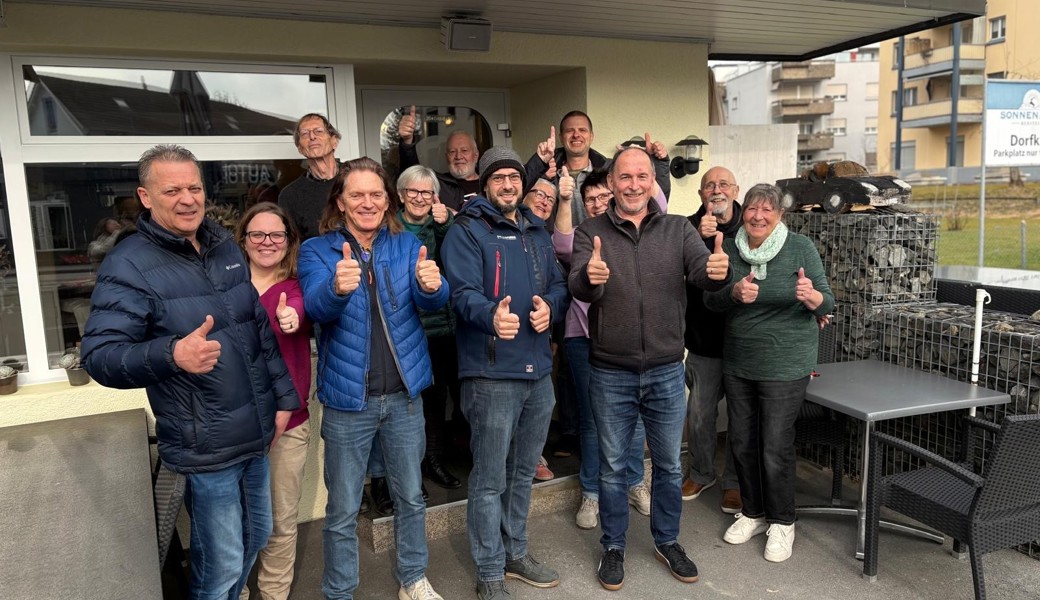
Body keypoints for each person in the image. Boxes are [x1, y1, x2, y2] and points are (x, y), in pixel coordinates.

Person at [81, 144, 299, 600]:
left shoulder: (222, 245)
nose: (187, 198)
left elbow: (257, 330)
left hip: (256, 434)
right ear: (145, 196)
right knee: (219, 568)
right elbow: (100, 356)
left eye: (194, 187)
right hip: (205, 446)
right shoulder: (129, 264)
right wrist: (170, 354)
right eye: (172, 189)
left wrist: (284, 400)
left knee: (255, 540)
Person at [568, 146, 730, 591]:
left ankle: (667, 540)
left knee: (669, 466)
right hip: (610, 372)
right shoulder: (590, 231)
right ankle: (614, 547)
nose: (635, 184)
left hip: (663, 370)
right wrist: (590, 278)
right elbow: (579, 285)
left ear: (653, 182)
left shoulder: (678, 229)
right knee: (614, 467)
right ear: (613, 181)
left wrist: (718, 271)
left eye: (643, 176)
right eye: (625, 177)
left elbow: (701, 270)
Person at [298, 157, 449, 600]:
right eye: (357, 195)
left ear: (388, 201)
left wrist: (432, 284)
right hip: (349, 401)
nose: (367, 202)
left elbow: (436, 299)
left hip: (404, 397)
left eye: (376, 194)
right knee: (344, 509)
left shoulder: (405, 245)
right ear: (340, 202)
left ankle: (413, 579)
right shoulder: (317, 250)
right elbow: (314, 309)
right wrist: (336, 289)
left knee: (411, 499)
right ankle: (340, 591)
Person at [441, 146, 570, 600]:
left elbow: (558, 285)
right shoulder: (467, 230)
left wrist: (549, 309)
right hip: (491, 372)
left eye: (515, 177)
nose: (509, 185)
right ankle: (489, 567)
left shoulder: (537, 229)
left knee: (522, 471)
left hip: (537, 372)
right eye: (499, 179)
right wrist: (489, 314)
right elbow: (459, 293)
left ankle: (515, 550)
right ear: (484, 183)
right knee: (490, 476)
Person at [703, 183, 834, 563]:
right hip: (741, 361)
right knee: (741, 441)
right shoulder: (728, 248)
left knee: (775, 445)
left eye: (767, 211)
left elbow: (828, 299)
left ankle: (782, 521)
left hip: (787, 363)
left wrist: (813, 298)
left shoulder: (800, 248)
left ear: (779, 216)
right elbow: (710, 300)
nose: (758, 216)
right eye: (752, 210)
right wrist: (732, 294)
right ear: (743, 212)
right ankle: (754, 512)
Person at [553, 169, 652, 530]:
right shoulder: (582, 235)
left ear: (614, 192)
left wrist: (648, 164)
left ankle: (634, 482)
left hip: (627, 337)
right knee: (594, 417)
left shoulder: (636, 230)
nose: (597, 203)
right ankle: (592, 492)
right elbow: (561, 242)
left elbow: (656, 200)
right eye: (589, 198)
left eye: (601, 196)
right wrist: (564, 199)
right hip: (583, 338)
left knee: (636, 414)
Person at [235, 202, 312, 600]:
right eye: (258, 235)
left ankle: (273, 595)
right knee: (237, 522)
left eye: (277, 235)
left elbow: (302, 312)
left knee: (281, 522)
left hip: (289, 424)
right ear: (244, 240)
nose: (267, 242)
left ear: (289, 240)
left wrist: (292, 318)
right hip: (234, 424)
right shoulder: (225, 286)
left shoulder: (299, 286)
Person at [396, 164, 462, 490]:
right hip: (410, 329)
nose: (419, 198)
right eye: (413, 191)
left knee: (438, 401)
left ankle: (435, 461)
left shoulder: (443, 224)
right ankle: (414, 471)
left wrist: (446, 223)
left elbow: (458, 257)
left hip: (445, 327)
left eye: (426, 192)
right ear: (401, 195)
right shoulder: (391, 229)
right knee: (413, 405)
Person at [683, 166, 744, 514]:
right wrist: (696, 234)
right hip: (704, 341)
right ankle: (702, 472)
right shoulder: (688, 225)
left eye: (723, 184)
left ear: (735, 190)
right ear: (701, 194)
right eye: (709, 186)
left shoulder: (751, 225)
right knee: (701, 414)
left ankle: (734, 483)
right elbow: (672, 262)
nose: (716, 190)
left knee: (740, 417)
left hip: (743, 342)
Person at [397, 105, 549, 212]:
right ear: (446, 157)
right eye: (452, 151)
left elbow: (519, 182)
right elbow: (412, 174)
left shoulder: (493, 180)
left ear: (476, 155)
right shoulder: (439, 184)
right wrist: (407, 142)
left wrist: (541, 160)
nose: (458, 156)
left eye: (464, 150)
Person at [278, 113, 342, 240]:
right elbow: (292, 244)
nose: (312, 137)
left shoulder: (356, 176)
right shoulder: (290, 195)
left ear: (334, 141)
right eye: (305, 134)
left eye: (319, 131)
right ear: (300, 148)